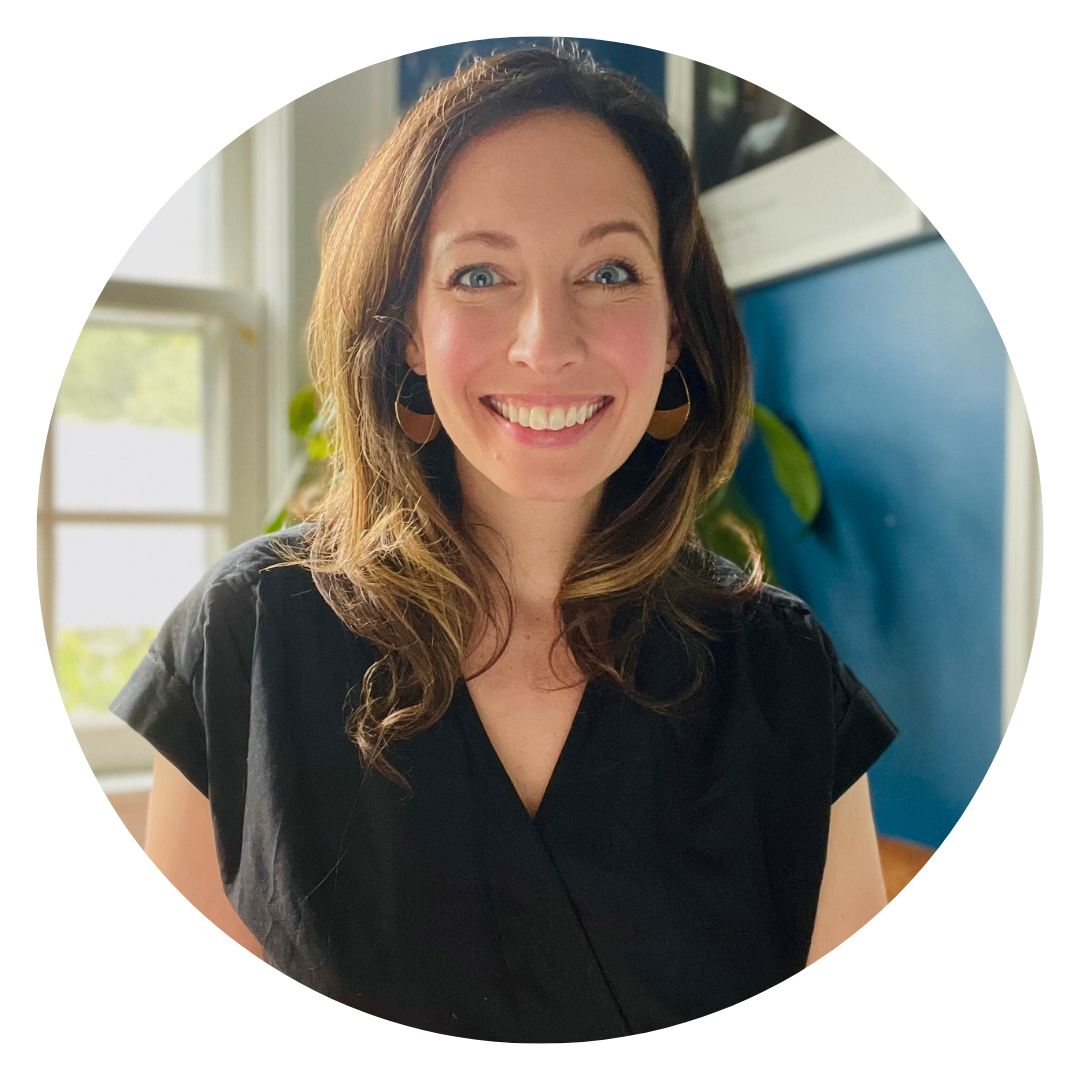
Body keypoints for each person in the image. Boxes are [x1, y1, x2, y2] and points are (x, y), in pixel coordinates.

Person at [113, 45, 897, 1042]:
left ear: (672, 332)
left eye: (609, 271)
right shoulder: (248, 633)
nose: (546, 340)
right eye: (479, 274)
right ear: (406, 331)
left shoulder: (783, 672)